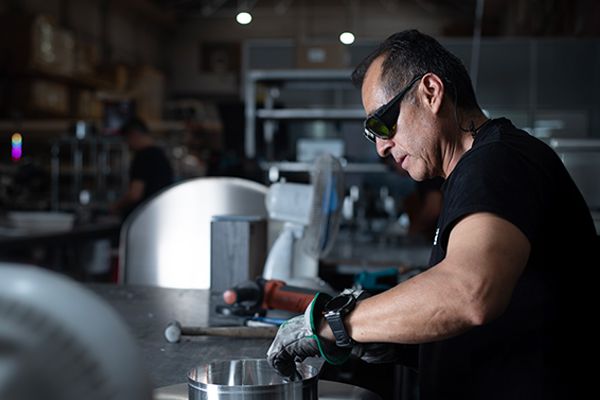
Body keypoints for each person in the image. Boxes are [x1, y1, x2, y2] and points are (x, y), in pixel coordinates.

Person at [266, 30, 597, 399]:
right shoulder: (475, 169)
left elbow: (469, 292)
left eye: (382, 123)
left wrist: (339, 324)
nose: (381, 147)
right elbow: (507, 318)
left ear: (430, 93)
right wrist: (396, 341)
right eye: (372, 133)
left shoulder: (497, 163)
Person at [110, 117, 173, 218]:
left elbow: (134, 194)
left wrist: (116, 206)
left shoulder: (143, 156)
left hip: (143, 216)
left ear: (133, 135)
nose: (128, 145)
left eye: (127, 140)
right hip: (160, 213)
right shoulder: (160, 154)